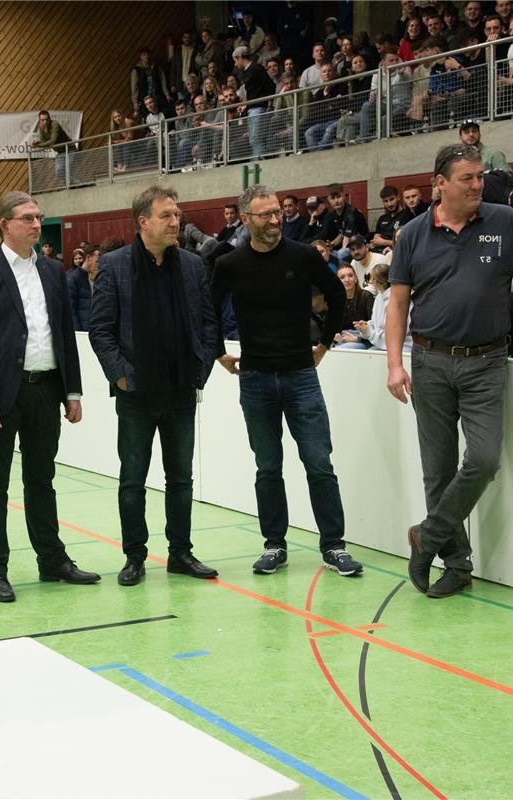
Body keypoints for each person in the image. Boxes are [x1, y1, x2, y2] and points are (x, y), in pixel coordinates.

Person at [386, 144, 513, 599]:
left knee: (483, 459)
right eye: (468, 178)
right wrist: (395, 363)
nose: (478, 184)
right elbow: (398, 302)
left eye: (480, 176)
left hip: (486, 361)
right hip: (429, 360)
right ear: (439, 183)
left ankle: (428, 535)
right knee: (436, 472)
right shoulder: (413, 235)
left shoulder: (505, 222)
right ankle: (457, 565)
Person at [211, 185, 362, 578]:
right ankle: (274, 544)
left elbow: (336, 294)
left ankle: (334, 545)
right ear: (245, 219)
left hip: (301, 377)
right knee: (268, 467)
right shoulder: (230, 264)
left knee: (319, 464)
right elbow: (206, 310)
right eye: (265, 214)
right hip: (255, 379)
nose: (275, 219)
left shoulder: (303, 255)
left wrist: (324, 343)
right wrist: (218, 353)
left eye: (277, 212)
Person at [0, 191, 98, 603]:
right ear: (5, 225)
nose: (36, 224)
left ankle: (51, 560)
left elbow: (64, 336)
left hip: (46, 390)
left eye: (38, 217)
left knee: (42, 480)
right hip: (1, 398)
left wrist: (72, 390)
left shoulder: (54, 272)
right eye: (27, 218)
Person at [88, 184, 220, 587]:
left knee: (181, 478)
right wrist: (122, 375)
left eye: (177, 215)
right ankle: (134, 556)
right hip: (136, 394)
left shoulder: (193, 265)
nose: (175, 222)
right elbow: (101, 331)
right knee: (133, 480)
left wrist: (201, 369)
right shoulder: (113, 266)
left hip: (181, 389)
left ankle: (180, 553)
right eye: (166, 215)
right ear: (143, 221)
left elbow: (210, 324)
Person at [332, 263, 375, 345]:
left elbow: (374, 327)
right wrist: (335, 335)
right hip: (343, 338)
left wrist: (358, 339)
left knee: (342, 350)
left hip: (363, 338)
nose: (347, 279)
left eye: (350, 275)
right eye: (342, 277)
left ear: (355, 279)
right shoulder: (336, 300)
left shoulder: (366, 296)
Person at [29, 110, 72, 184]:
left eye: (47, 119)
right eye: (43, 120)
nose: (45, 122)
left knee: (67, 170)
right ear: (40, 120)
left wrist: (38, 145)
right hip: (60, 152)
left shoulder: (55, 124)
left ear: (49, 118)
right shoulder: (41, 128)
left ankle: (75, 187)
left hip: (70, 149)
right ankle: (76, 186)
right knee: (59, 172)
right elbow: (43, 142)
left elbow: (53, 141)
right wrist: (37, 143)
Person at [372, 185, 413, 252]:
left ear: (398, 197)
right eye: (386, 201)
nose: (389, 204)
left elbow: (407, 242)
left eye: (392, 199)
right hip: (378, 251)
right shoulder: (382, 218)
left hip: (397, 251)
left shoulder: (407, 215)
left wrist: (384, 242)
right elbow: (376, 239)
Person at [68, 243, 99, 331]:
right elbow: (71, 310)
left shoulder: (95, 276)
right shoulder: (73, 278)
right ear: (88, 258)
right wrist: (78, 332)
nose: (99, 264)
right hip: (82, 331)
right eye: (97, 261)